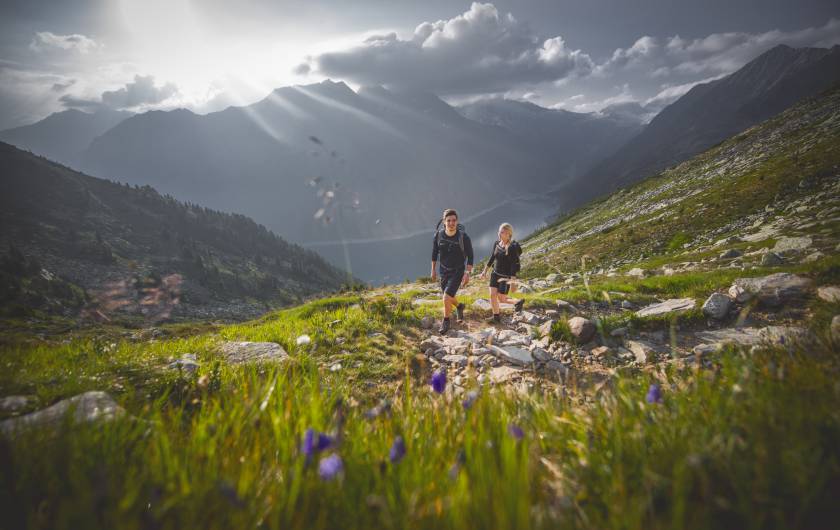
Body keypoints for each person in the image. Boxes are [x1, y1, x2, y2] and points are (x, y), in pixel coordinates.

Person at [431, 209, 474, 334]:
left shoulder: (463, 237)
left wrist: (467, 273)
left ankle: (446, 321)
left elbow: (470, 256)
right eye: (448, 220)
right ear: (444, 222)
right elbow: (434, 254)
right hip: (443, 270)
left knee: (445, 297)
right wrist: (433, 270)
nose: (451, 223)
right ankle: (460, 306)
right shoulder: (438, 236)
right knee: (449, 296)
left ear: (457, 221)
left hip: (458, 271)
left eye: (454, 220)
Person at [479, 222, 524, 323]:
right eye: (500, 231)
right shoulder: (496, 243)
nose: (500, 234)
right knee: (492, 295)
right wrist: (484, 271)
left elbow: (514, 266)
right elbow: (492, 257)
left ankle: (517, 302)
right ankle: (496, 317)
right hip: (495, 274)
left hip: (505, 277)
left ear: (509, 234)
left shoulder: (511, 247)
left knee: (502, 299)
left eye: (503, 232)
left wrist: (512, 283)